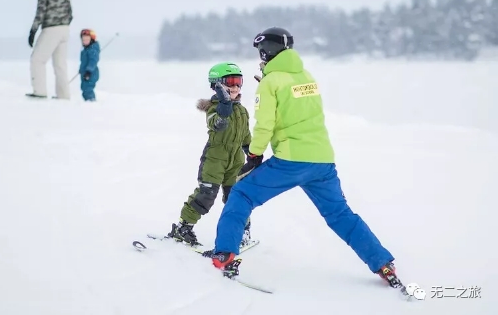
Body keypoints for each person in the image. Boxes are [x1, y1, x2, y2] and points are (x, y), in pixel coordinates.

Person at [207, 27, 401, 287]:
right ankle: (382, 263)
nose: (260, 57)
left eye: (261, 52)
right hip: (322, 161)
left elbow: (265, 124)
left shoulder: (270, 83)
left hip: (290, 161)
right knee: (340, 214)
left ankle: (225, 253)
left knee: (241, 194)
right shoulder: (307, 77)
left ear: (267, 51)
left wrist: (254, 153)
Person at [167, 62, 254, 249]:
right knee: (206, 195)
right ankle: (183, 228)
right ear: (217, 85)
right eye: (230, 82)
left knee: (238, 197)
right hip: (214, 160)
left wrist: (252, 152)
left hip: (236, 162)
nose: (235, 87)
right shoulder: (214, 109)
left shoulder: (242, 111)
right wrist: (224, 105)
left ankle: (242, 230)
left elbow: (245, 134)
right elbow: (217, 124)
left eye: (239, 82)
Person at [26, 0, 73, 100]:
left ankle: (39, 92)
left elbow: (40, 14)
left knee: (37, 60)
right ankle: (63, 96)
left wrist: (33, 31)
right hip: (65, 30)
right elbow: (70, 14)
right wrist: (64, 24)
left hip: (51, 29)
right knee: (60, 64)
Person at [78, 29, 101, 101]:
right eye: (83, 39)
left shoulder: (92, 50)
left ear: (91, 40)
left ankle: (91, 100)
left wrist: (89, 71)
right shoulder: (85, 50)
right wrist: (81, 70)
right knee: (84, 87)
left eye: (87, 39)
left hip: (91, 73)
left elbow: (93, 61)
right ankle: (87, 101)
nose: (85, 41)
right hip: (85, 73)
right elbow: (84, 62)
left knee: (88, 88)